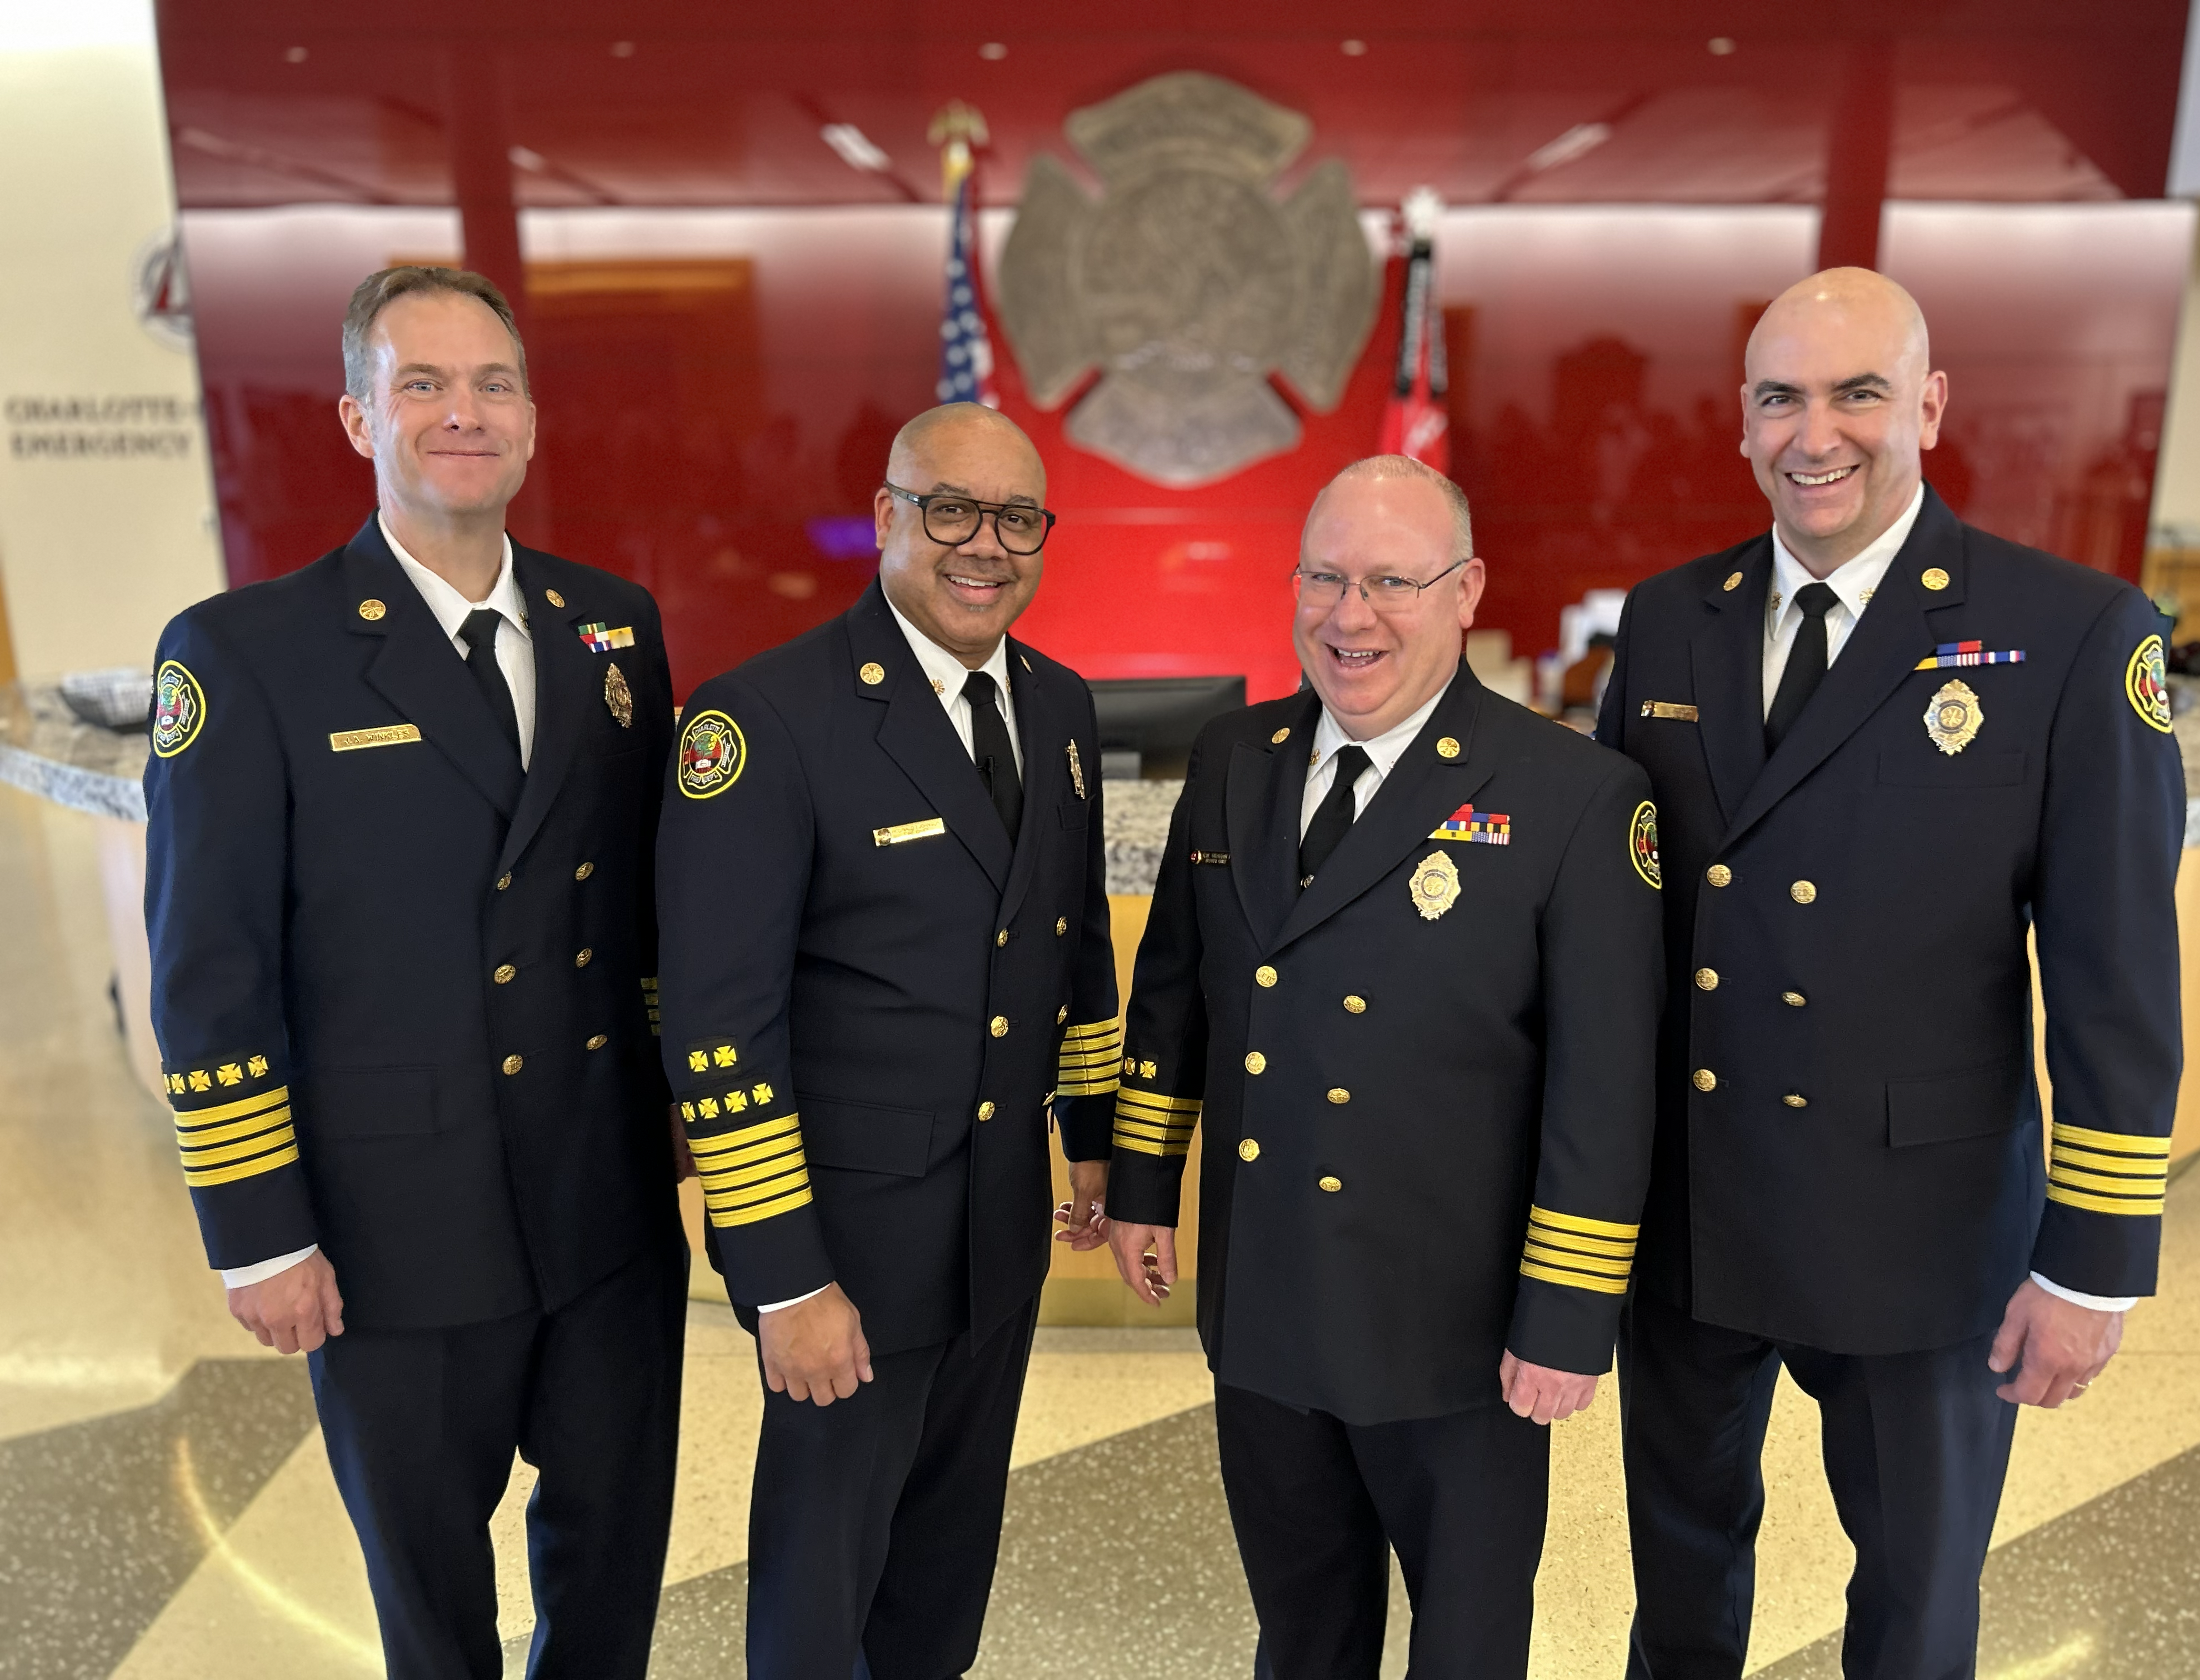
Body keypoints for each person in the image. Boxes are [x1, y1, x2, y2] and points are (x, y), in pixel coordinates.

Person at [1596, 268, 2186, 1679]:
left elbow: (2115, 971)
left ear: (1927, 405)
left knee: (1915, 1616)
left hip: (1926, 1233)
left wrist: (2093, 1261)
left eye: (1859, 393)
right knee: (1678, 1589)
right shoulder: (1671, 620)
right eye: (1782, 398)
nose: (1819, 434)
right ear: (1741, 425)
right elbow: (1616, 922)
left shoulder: (2072, 634)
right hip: (1694, 1207)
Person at [144, 266, 688, 1680]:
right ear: (356, 418)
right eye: (424, 385)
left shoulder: (610, 624)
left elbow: (640, 916)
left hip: (605, 1216)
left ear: (531, 423)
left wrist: (686, 1133)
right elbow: (209, 964)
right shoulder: (244, 656)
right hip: (391, 1229)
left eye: (494, 383)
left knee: (613, 1576)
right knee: (433, 1612)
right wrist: (259, 1228)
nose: (466, 411)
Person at [1103, 455, 1664, 1678]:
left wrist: (1568, 1317)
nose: (1350, 617)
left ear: (1467, 591)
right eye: (1325, 578)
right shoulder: (1234, 757)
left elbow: (1606, 1083)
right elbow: (1175, 1002)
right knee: (1303, 1634)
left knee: (1465, 1649)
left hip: (1460, 1335)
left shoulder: (1575, 794)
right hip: (1267, 1303)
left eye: (1392, 583)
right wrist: (1147, 1185)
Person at [654, 402, 1119, 1679]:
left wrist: (1089, 1141)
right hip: (845, 1245)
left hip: (994, 1232)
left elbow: (1070, 944)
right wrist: (785, 1280)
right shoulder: (764, 720)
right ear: (885, 520)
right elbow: (719, 1027)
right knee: (823, 1580)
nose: (987, 545)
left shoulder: (1059, 704)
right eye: (950, 509)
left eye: (1019, 517)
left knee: (942, 1565)